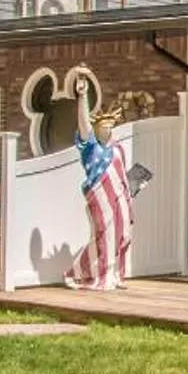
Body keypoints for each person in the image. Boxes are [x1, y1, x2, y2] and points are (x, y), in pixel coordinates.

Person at [64, 111, 133, 290]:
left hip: (121, 195)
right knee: (103, 237)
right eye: (104, 126)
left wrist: (130, 193)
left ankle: (117, 274)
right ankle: (85, 273)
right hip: (100, 195)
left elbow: (123, 173)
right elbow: (84, 125)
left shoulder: (118, 148)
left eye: (111, 126)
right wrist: (82, 97)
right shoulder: (92, 147)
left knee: (124, 235)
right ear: (96, 128)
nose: (108, 130)